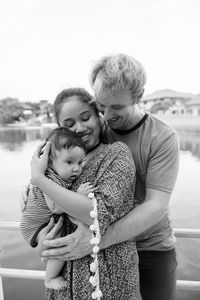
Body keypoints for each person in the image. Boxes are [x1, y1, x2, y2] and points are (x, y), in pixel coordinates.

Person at [36, 54, 180, 300]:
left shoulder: (162, 137)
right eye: (101, 106)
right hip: (102, 248)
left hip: (150, 247)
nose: (107, 115)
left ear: (138, 96)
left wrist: (95, 241)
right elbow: (56, 173)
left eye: (116, 107)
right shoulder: (93, 130)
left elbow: (156, 205)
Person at [21, 87, 141, 300]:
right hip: (62, 288)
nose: (79, 128)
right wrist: (41, 243)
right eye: (69, 124)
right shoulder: (54, 165)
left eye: (86, 117)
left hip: (109, 282)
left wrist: (39, 179)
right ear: (60, 128)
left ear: (98, 116)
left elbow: (96, 215)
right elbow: (37, 210)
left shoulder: (116, 154)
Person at [27, 126, 96, 290]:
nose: (77, 168)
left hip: (43, 222)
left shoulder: (56, 175)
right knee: (61, 243)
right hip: (36, 226)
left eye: (80, 162)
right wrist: (79, 194)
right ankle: (49, 278)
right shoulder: (49, 178)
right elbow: (56, 207)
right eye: (69, 162)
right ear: (50, 163)